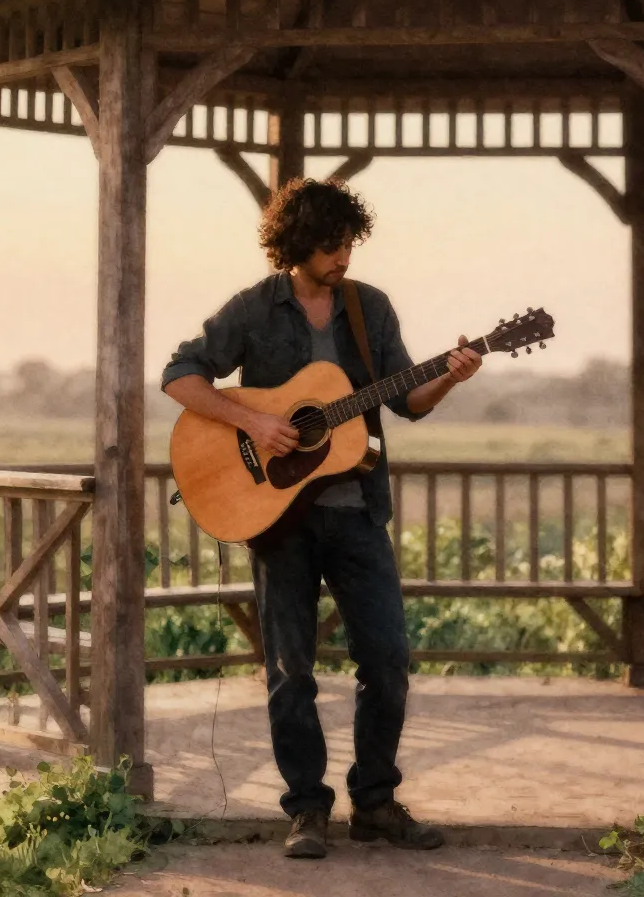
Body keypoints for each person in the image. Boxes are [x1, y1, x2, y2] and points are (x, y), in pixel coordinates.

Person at [161, 178, 482, 859]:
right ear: (296, 244)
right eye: (332, 246)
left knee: (389, 659)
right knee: (291, 669)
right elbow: (180, 376)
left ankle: (375, 802)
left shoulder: (369, 309)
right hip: (279, 520)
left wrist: (451, 373)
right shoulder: (252, 309)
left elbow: (407, 399)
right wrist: (254, 420)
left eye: (349, 244)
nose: (344, 257)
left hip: (357, 512)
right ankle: (306, 810)